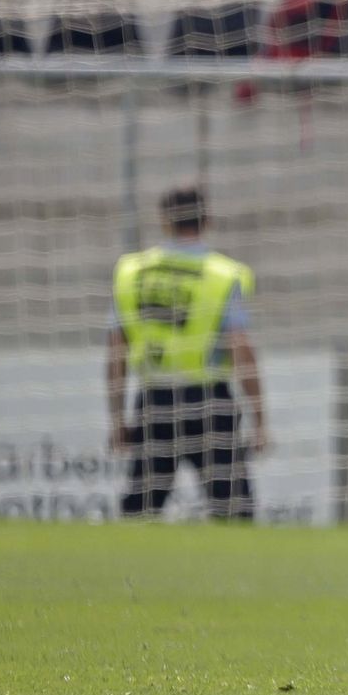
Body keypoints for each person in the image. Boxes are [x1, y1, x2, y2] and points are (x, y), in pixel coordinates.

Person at [107, 186, 268, 519]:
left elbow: (115, 351)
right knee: (234, 513)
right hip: (209, 401)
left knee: (139, 513)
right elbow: (240, 346)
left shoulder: (133, 272)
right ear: (207, 220)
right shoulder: (222, 274)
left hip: (155, 401)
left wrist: (116, 418)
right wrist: (260, 418)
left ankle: (126, 572)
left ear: (164, 221)